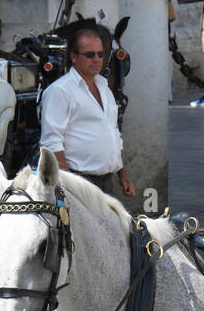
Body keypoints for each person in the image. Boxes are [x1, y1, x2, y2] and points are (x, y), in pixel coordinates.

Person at [39, 27, 135, 198]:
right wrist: (69, 187)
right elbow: (52, 142)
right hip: (79, 181)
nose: (97, 59)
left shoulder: (104, 88)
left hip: (106, 182)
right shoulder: (60, 91)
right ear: (74, 57)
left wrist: (123, 175)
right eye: (90, 55)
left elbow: (113, 134)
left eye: (100, 54)